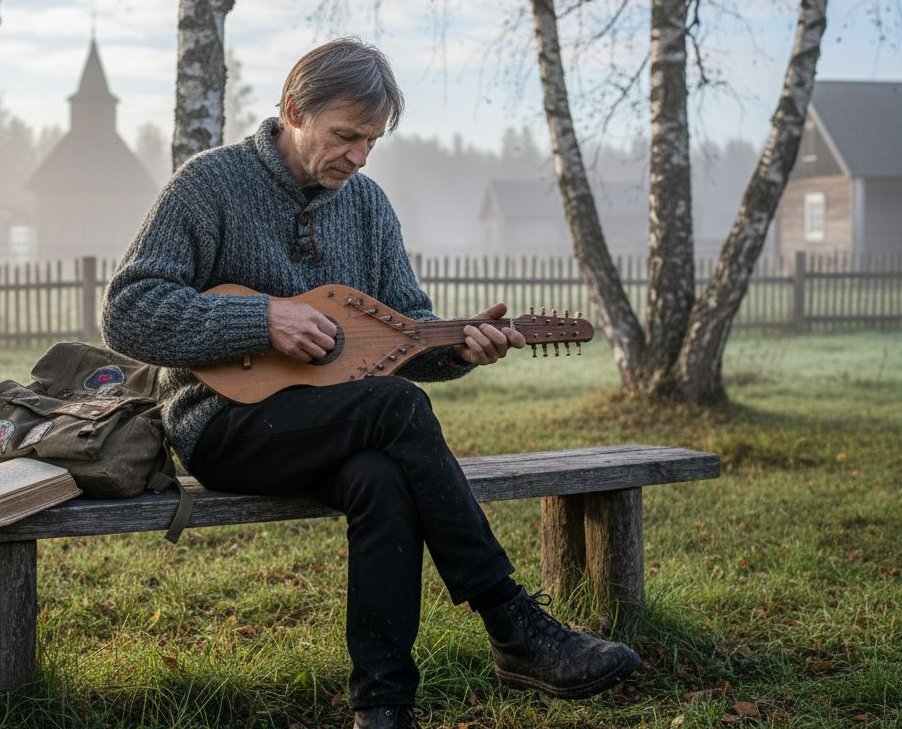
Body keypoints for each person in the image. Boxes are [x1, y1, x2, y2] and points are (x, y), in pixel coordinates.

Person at [101, 38, 639, 729]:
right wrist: (261, 320)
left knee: (382, 479)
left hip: (338, 421)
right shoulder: (208, 186)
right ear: (295, 110)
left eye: (372, 142)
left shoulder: (368, 206)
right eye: (345, 136)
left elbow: (406, 331)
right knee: (395, 409)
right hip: (221, 424)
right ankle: (513, 624)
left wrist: (462, 350)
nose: (358, 157)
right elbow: (127, 309)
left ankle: (383, 708)